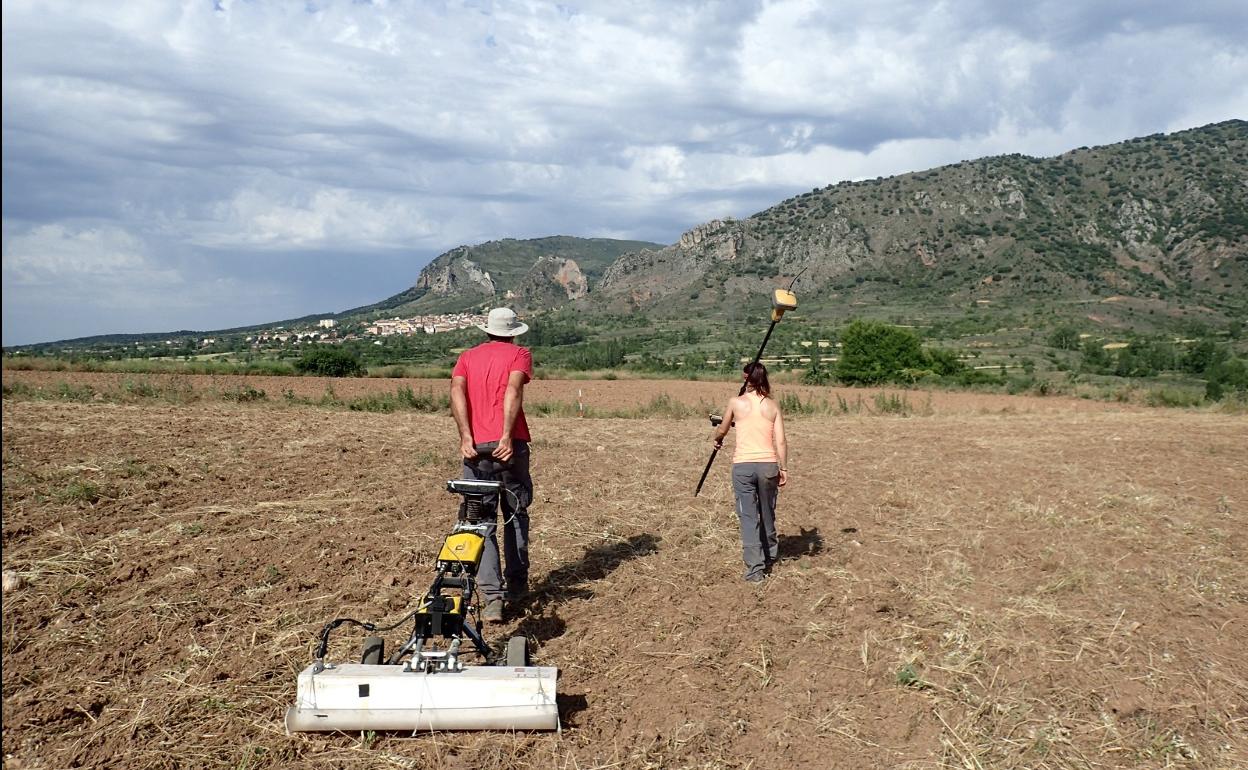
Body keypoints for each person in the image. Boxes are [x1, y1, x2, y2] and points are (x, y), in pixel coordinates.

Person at [450, 307, 533, 622]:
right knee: (515, 514)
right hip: (507, 448)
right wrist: (507, 437)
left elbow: (456, 390)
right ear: (513, 332)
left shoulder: (467, 358)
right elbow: (513, 390)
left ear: (486, 330)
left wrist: (466, 437)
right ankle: (517, 585)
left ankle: (492, 599)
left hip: (475, 450)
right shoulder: (519, 354)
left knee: (481, 523)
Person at [711, 362, 788, 583]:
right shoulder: (772, 406)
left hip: (743, 466)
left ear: (746, 378)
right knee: (767, 511)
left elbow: (723, 428)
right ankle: (770, 555)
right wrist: (783, 468)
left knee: (748, 515)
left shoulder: (736, 403)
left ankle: (756, 569)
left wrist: (717, 439)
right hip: (768, 465)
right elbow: (781, 440)